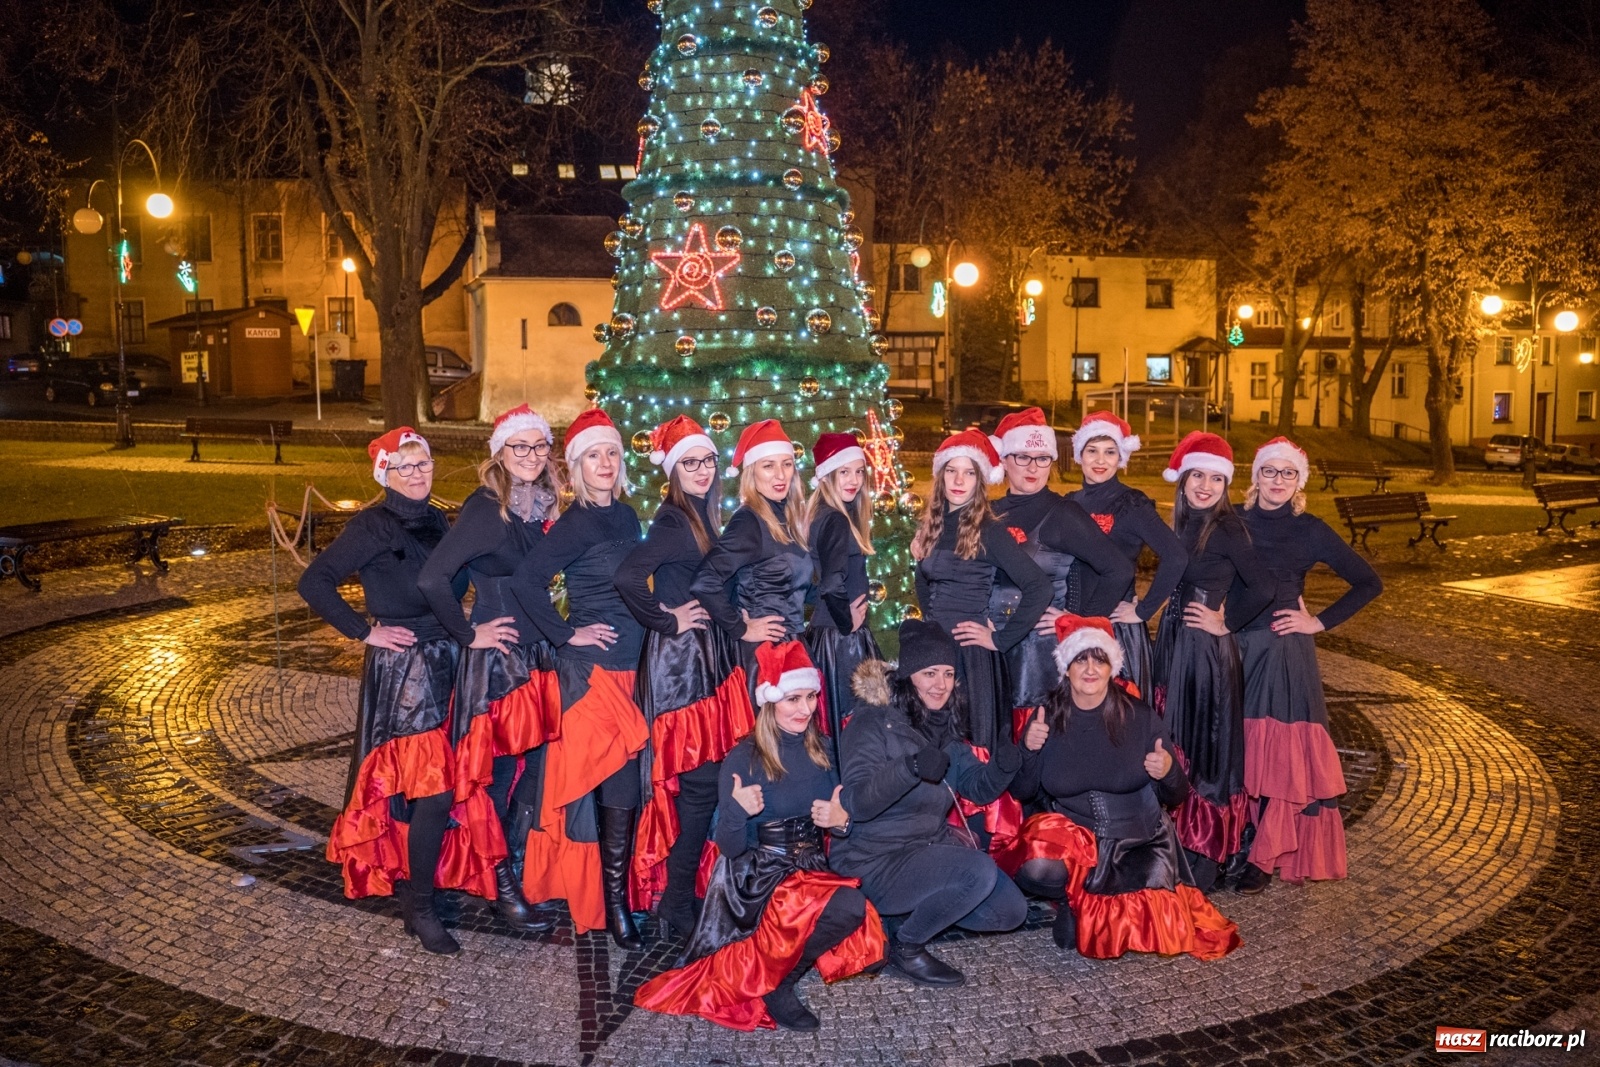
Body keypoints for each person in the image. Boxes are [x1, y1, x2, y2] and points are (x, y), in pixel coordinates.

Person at [299, 428, 490, 954]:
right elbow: (314, 580)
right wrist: (365, 630)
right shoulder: (372, 524)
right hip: (405, 669)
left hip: (447, 659)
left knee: (429, 789)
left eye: (422, 463)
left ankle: (416, 891)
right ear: (385, 473)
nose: (416, 474)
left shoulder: (436, 518)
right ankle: (421, 907)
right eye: (403, 467)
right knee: (433, 790)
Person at [634, 642, 884, 1032]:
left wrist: (841, 822)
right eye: (793, 699)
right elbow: (731, 849)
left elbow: (843, 823)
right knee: (845, 905)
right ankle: (778, 983)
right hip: (758, 876)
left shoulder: (825, 751)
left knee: (856, 913)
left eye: (812, 696)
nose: (805, 709)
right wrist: (735, 812)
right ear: (769, 701)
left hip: (810, 868)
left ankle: (781, 974)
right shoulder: (744, 758)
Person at [1002, 615, 1242, 961]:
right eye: (1080, 658)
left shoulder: (1140, 715)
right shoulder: (1046, 718)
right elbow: (1023, 791)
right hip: (1079, 842)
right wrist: (1028, 749)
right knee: (1037, 864)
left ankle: (1089, 904)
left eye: (1099, 659)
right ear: (1065, 667)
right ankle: (1074, 896)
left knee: (1141, 931)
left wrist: (1169, 770)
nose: (1089, 668)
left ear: (1111, 667)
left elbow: (1176, 796)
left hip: (1139, 841)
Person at [416, 404, 563, 933]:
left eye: (539, 446)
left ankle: (515, 870)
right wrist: (468, 633)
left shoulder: (540, 506)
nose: (530, 456)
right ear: (500, 452)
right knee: (494, 780)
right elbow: (434, 579)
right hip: (499, 666)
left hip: (537, 659)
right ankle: (502, 891)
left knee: (534, 775)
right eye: (519, 447)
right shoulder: (486, 508)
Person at [510, 408, 649, 947]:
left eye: (612, 452)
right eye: (594, 455)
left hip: (632, 668)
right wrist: (568, 634)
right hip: (592, 677)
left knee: (624, 793)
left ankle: (615, 900)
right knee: (602, 787)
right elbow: (527, 581)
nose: (606, 463)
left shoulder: (629, 515)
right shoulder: (573, 523)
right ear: (575, 466)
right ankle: (605, 906)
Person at [615, 415, 756, 939]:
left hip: (707, 659)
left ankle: (681, 895)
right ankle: (674, 901)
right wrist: (666, 617)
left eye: (708, 461)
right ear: (674, 470)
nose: (701, 470)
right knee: (695, 786)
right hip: (681, 667)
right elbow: (627, 575)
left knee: (702, 787)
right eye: (690, 462)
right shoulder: (674, 521)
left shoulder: (703, 514)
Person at [831, 620, 1029, 987]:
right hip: (874, 860)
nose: (941, 684)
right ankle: (906, 947)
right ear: (908, 676)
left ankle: (901, 917)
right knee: (978, 871)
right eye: (930, 673)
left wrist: (1004, 764)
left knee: (1010, 911)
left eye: (949, 673)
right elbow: (856, 803)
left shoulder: (943, 730)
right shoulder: (872, 723)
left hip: (926, 851)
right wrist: (911, 768)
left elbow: (976, 788)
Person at [1235, 438, 1382, 892]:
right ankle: (1237, 837)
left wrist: (1317, 621)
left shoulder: (1311, 529)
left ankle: (1264, 855)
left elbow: (1368, 582)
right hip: (1235, 645)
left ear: (1299, 481)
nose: (1277, 480)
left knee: (1278, 757)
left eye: (1288, 473)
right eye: (1269, 471)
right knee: (1241, 750)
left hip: (1282, 650)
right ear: (1254, 475)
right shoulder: (1232, 522)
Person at [1150, 432, 1274, 892]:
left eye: (1215, 479)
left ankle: (1208, 850)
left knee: (1206, 743)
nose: (1204, 485)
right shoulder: (1183, 523)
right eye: (1196, 475)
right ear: (1182, 480)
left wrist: (1227, 622)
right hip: (1174, 645)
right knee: (1174, 736)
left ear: (1226, 485)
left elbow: (1263, 587)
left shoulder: (1227, 528)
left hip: (1204, 653)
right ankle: (1176, 837)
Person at [989, 408, 1136, 720]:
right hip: (989, 643)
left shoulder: (1063, 514)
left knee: (1034, 734)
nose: (1033, 467)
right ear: (1003, 460)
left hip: (1037, 653)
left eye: (1042, 458)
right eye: (1022, 457)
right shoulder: (988, 511)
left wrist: (1080, 621)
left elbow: (1119, 569)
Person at [910, 429, 1049, 755]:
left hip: (971, 658)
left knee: (970, 749)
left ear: (980, 480)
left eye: (969, 473)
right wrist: (931, 624)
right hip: (936, 653)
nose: (959, 480)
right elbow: (923, 582)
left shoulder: (990, 529)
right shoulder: (933, 524)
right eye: (952, 471)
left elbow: (1038, 587)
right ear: (941, 476)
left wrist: (1000, 638)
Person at [1065, 410, 1188, 700]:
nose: (1100, 460)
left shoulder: (1131, 504)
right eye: (1092, 451)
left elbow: (1176, 556)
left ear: (1121, 458)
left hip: (1116, 630)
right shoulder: (1070, 503)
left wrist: (1144, 610)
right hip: (1073, 624)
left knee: (1117, 722)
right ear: (1079, 455)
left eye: (1110, 452)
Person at [690, 419, 813, 709]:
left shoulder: (787, 517)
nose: (780, 474)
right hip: (764, 656)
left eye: (786, 464)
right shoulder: (749, 522)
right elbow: (704, 581)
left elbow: (795, 587)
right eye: (768, 465)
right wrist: (741, 628)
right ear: (752, 473)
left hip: (794, 646)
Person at [800, 431, 883, 751]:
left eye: (859, 471)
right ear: (827, 476)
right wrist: (847, 623)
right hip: (842, 642)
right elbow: (832, 583)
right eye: (843, 472)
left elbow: (815, 583)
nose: (854, 480)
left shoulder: (827, 513)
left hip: (831, 637)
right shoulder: (834, 518)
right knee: (856, 731)